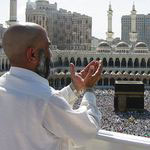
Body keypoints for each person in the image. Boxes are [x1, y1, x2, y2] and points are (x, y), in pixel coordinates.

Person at [0, 22, 103, 150]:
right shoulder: (46, 101)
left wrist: (74, 89)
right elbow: (88, 129)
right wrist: (89, 90)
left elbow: (43, 108)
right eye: (48, 47)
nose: (51, 54)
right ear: (32, 54)